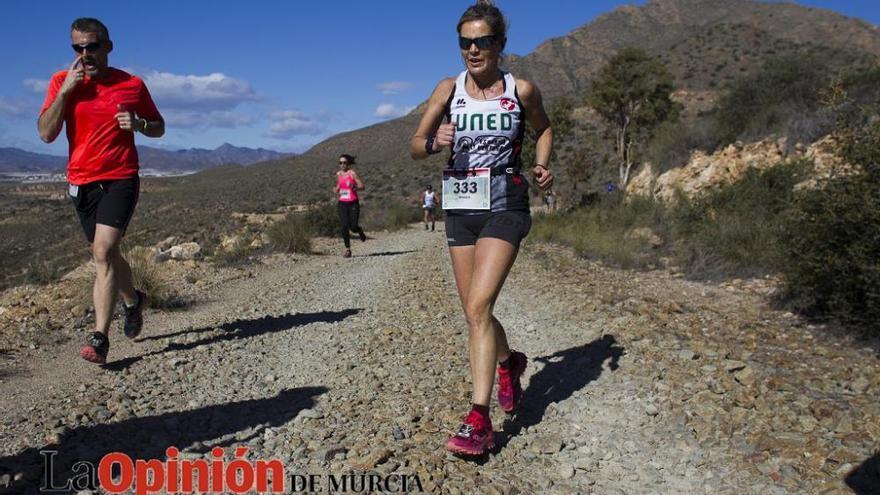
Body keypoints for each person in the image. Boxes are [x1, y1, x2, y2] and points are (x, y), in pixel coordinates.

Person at [410, 0, 554, 457]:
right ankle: (510, 362)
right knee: (477, 313)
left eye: (483, 41)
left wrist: (541, 163)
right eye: (465, 42)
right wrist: (435, 142)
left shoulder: (522, 89)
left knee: (478, 304)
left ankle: (479, 418)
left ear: (500, 45)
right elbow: (414, 146)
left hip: (505, 202)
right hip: (460, 206)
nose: (473, 50)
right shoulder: (448, 89)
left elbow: (544, 129)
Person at [38, 18, 165, 364]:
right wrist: (65, 92)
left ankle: (99, 338)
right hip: (81, 182)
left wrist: (139, 124)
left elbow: (159, 127)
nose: (85, 54)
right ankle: (133, 301)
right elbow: (46, 133)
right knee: (105, 254)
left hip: (121, 177)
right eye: (78, 48)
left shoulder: (131, 84)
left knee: (103, 252)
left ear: (108, 46)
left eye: (92, 46)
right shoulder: (61, 83)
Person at [334, 154, 366, 258]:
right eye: (340, 163)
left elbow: (362, 186)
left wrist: (355, 186)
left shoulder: (352, 173)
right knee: (344, 225)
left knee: (353, 227)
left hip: (353, 203)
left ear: (348, 164)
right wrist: (336, 189)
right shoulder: (338, 174)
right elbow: (339, 186)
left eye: (344, 163)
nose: (342, 165)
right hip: (342, 203)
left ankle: (359, 230)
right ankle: (347, 250)